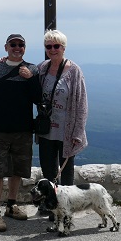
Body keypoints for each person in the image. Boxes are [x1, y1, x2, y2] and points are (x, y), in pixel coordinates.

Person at [0, 34, 41, 232]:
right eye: (13, 44)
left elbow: (38, 98)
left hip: (23, 129)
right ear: (6, 47)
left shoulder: (32, 69)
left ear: (25, 47)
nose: (17, 48)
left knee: (17, 170)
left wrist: (30, 79)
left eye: (20, 45)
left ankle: (11, 205)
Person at [35, 30, 88, 188]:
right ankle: (51, 206)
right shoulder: (42, 68)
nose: (52, 49)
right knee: (48, 170)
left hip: (67, 131)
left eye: (56, 46)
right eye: (48, 46)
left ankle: (66, 209)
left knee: (66, 173)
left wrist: (78, 132)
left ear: (63, 48)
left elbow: (82, 104)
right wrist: (5, 61)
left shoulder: (74, 72)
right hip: (46, 129)